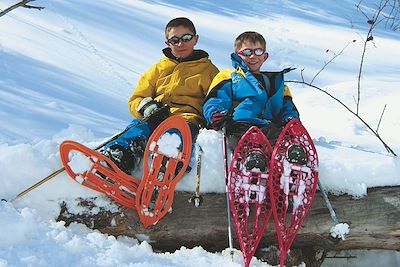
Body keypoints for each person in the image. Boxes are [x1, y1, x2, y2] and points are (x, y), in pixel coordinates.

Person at [102, 17, 219, 174]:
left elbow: (216, 99)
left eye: (186, 38)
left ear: (195, 39)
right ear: (167, 43)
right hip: (155, 116)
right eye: (174, 40)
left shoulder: (208, 71)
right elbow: (136, 99)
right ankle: (120, 156)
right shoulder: (158, 69)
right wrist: (146, 108)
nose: (180, 44)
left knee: (175, 135)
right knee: (137, 128)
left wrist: (213, 119)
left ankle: (168, 162)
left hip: (186, 120)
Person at [203, 31, 305, 170]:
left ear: (265, 56)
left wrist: (291, 120)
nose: (252, 56)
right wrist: (215, 113)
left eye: (258, 51)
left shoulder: (276, 83)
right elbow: (216, 97)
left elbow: (287, 107)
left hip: (268, 124)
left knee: (278, 138)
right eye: (246, 52)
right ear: (237, 55)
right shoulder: (230, 77)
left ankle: (289, 159)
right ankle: (253, 158)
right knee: (242, 139)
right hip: (240, 122)